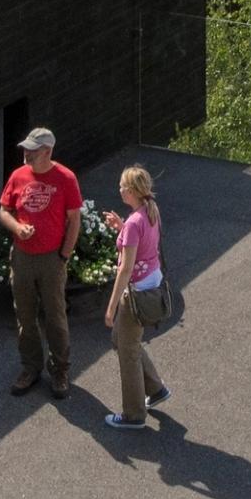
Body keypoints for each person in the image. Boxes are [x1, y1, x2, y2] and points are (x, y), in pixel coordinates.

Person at [0, 124, 82, 398]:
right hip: (22, 257)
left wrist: (63, 256)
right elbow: (4, 211)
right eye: (25, 148)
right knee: (25, 316)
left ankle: (59, 371)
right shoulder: (18, 175)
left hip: (51, 260)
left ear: (47, 151)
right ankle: (30, 368)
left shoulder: (66, 178)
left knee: (56, 317)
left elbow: (74, 220)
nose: (26, 154)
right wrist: (17, 227)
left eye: (32, 150)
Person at [101, 162, 173, 431]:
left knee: (127, 350)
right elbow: (142, 246)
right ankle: (155, 389)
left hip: (135, 297)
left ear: (131, 191)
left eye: (122, 186)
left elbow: (125, 268)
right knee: (122, 340)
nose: (119, 189)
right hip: (151, 286)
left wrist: (110, 307)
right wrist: (121, 227)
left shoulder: (134, 223)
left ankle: (133, 415)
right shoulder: (149, 212)